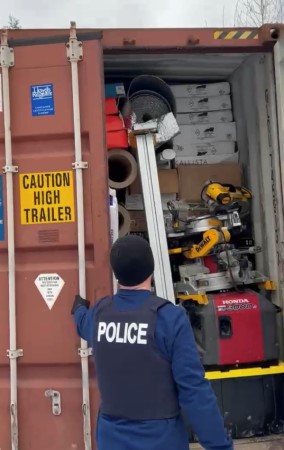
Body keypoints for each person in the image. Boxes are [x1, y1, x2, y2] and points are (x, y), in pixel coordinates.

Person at [72, 234, 234, 450]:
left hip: (111, 440)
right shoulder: (169, 319)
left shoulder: (100, 314)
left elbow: (82, 324)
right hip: (161, 440)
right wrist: (219, 446)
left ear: (116, 273)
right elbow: (194, 391)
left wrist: (78, 309)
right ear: (151, 268)